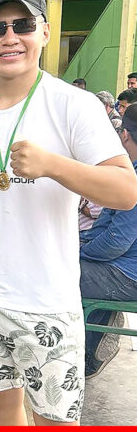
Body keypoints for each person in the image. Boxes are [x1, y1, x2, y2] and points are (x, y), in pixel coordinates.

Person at [0, 0, 137, 426]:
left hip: (47, 299)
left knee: (56, 422)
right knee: (0, 407)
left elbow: (125, 189)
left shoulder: (74, 106)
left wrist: (53, 165)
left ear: (43, 32)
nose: (9, 37)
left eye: (22, 25)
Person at [79, 104, 137, 379]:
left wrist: (83, 250)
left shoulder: (133, 179)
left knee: (54, 272)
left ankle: (85, 355)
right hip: (123, 266)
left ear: (124, 135)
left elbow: (117, 241)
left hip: (127, 275)